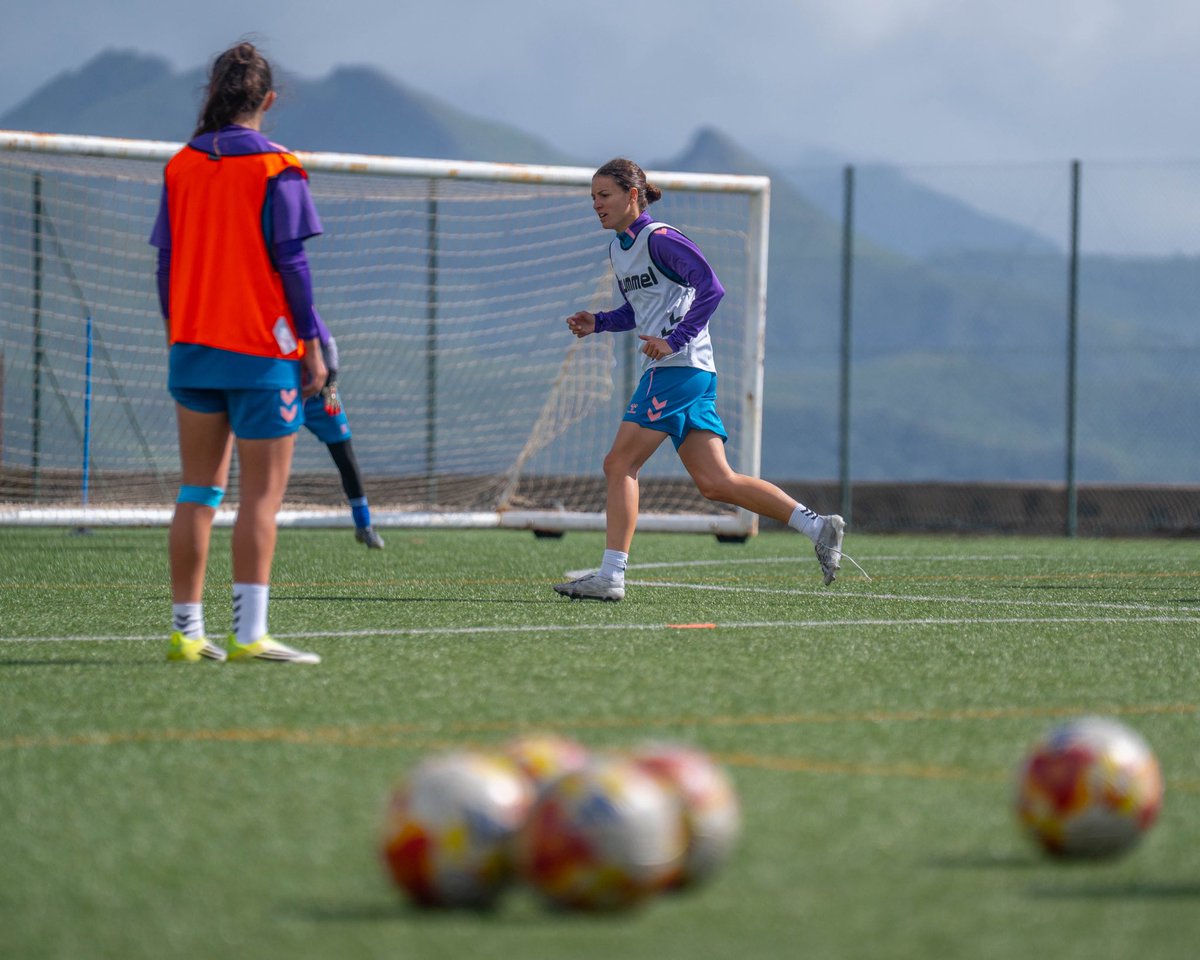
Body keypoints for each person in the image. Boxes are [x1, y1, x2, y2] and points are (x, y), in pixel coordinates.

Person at [554, 158, 847, 602]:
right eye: (592, 197)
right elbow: (639, 310)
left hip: (678, 368)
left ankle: (612, 575)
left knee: (619, 464)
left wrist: (673, 341)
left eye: (604, 195)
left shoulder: (661, 239)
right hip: (689, 373)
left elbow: (711, 287)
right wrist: (598, 321)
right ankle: (817, 526)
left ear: (633, 196)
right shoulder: (619, 249)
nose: (596, 205)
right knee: (716, 482)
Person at [151, 41, 324, 662]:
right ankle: (248, 635)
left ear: (214, 94)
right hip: (261, 353)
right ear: (268, 101)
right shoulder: (278, 166)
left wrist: (184, 330)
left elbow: (166, 266)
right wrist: (310, 344)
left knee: (197, 490)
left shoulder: (181, 165)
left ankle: (186, 633)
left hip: (192, 350)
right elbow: (293, 264)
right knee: (259, 498)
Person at [303, 331, 385, 549]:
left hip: (322, 397)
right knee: (270, 461)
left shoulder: (304, 311)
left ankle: (364, 526)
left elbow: (329, 344)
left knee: (346, 459)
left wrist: (330, 387)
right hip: (286, 395)